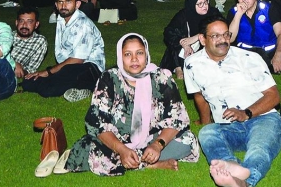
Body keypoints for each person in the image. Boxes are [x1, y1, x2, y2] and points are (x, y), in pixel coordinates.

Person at [183, 17, 281, 187]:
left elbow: (274, 96)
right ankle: (232, 166)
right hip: (228, 126)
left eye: (226, 35)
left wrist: (246, 113)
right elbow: (199, 96)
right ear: (203, 39)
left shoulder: (248, 58)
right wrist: (205, 122)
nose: (223, 40)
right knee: (206, 134)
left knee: (259, 148)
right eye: (215, 36)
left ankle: (242, 182)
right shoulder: (192, 64)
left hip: (262, 118)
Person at [64, 33, 201, 176]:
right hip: (117, 142)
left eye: (139, 53)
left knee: (188, 140)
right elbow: (98, 123)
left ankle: (139, 161)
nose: (134, 59)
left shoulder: (162, 77)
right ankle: (150, 165)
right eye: (128, 54)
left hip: (153, 137)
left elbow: (176, 117)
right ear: (120, 57)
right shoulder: (109, 79)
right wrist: (122, 150)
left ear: (146, 54)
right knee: (92, 150)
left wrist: (157, 145)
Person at [22, 0, 105, 101]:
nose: (63, 6)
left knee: (49, 89)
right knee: (28, 81)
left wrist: (48, 72)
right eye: (60, 2)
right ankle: (76, 87)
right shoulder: (61, 18)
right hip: (69, 67)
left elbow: (78, 59)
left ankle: (89, 86)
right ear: (56, 5)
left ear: (77, 4)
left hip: (89, 68)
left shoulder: (83, 24)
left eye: (68, 2)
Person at [228, 0, 281, 73]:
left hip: (268, 50)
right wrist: (238, 15)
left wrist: (278, 54)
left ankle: (256, 67)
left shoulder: (268, 8)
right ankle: (265, 67)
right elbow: (230, 39)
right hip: (246, 52)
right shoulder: (234, 12)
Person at [162, 0, 223, 77]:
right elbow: (168, 32)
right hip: (187, 48)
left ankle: (181, 66)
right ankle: (178, 67)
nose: (205, 6)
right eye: (200, 4)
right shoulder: (183, 15)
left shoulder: (213, 13)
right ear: (192, 4)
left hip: (205, 46)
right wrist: (185, 44)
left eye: (206, 1)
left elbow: (221, 30)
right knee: (175, 42)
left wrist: (197, 36)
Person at [11, 7, 48, 80]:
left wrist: (20, 71)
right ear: (16, 23)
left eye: (29, 22)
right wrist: (13, 63)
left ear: (36, 25)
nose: (24, 25)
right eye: (21, 21)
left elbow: (31, 70)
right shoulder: (6, 36)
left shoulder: (40, 42)